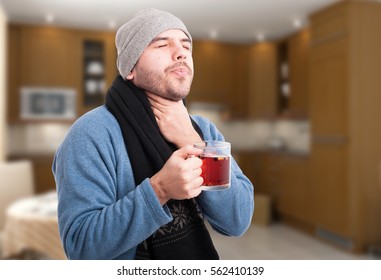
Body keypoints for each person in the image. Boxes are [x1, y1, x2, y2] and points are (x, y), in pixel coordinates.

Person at [52, 8, 254, 260]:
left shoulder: (202, 131)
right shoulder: (89, 135)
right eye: (161, 44)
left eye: (186, 46)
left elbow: (237, 220)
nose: (181, 52)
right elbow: (80, 247)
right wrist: (159, 190)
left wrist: (193, 141)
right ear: (130, 68)